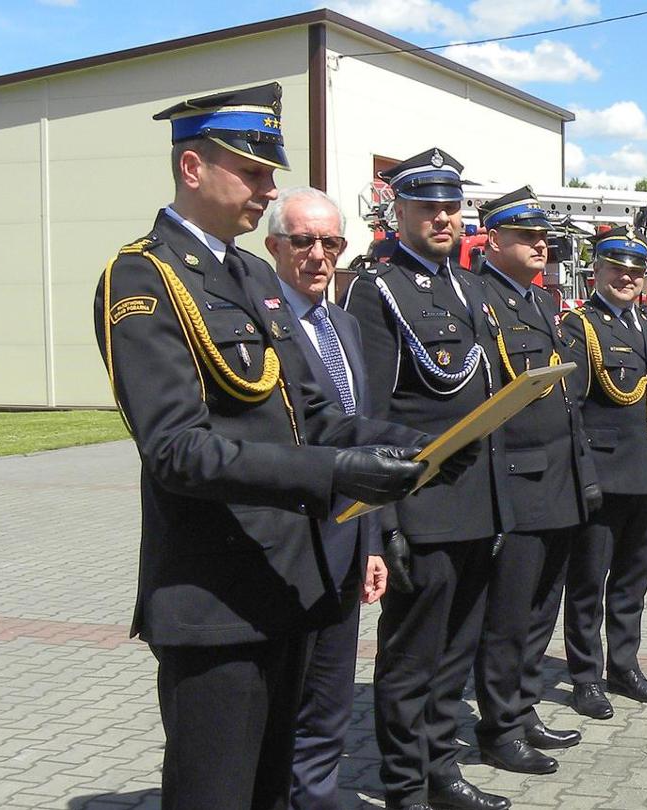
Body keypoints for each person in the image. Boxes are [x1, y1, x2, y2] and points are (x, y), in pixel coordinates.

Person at [92, 83, 438, 810]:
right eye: (252, 172)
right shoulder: (144, 279)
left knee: (271, 794)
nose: (268, 188)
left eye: (268, 172)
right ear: (193, 168)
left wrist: (422, 445)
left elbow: (310, 411)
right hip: (216, 598)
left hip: (288, 584)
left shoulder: (250, 272)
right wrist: (337, 471)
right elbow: (177, 450)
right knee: (215, 794)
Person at [342, 148, 514, 810]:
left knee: (454, 657)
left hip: (476, 507)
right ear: (400, 211)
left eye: (451, 205)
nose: (443, 217)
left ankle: (443, 770)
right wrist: (382, 526)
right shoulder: (375, 288)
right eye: (428, 206)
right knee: (411, 662)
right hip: (420, 508)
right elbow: (368, 417)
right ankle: (405, 787)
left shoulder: (469, 287)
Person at [468, 186, 600, 775]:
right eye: (525, 236)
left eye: (543, 235)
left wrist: (585, 477)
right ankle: (498, 728)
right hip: (517, 484)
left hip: (560, 483)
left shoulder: (545, 305)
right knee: (508, 615)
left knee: (541, 609)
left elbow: (569, 402)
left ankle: (521, 711)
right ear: (494, 241)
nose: (540, 244)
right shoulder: (482, 301)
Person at [257, 186, 381, 810]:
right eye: (302, 241)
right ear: (273, 245)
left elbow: (361, 435)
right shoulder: (263, 325)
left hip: (346, 537)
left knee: (333, 696)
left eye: (330, 242)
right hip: (289, 542)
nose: (318, 255)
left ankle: (319, 797)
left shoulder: (346, 326)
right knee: (287, 702)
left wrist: (373, 540)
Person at [561, 227, 647, 721]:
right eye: (616, 268)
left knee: (633, 580)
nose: (627, 277)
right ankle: (585, 677)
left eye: (636, 271)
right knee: (587, 582)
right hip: (602, 477)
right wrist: (582, 475)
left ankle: (624, 665)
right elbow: (570, 408)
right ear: (596, 271)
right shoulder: (580, 326)